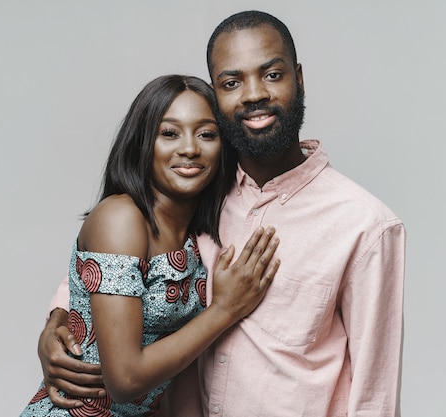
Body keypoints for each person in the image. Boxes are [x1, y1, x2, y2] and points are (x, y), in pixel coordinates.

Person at [40, 10, 406, 416]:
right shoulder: (199, 188)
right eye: (232, 82)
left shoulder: (365, 224)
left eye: (271, 74)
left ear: (298, 78)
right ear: (217, 94)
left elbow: (375, 395)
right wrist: (59, 320)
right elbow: (123, 260)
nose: (253, 95)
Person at [20, 74, 281, 417]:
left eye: (206, 134)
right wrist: (224, 310)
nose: (189, 148)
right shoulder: (121, 218)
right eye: (169, 133)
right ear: (142, 143)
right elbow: (125, 380)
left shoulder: (197, 237)